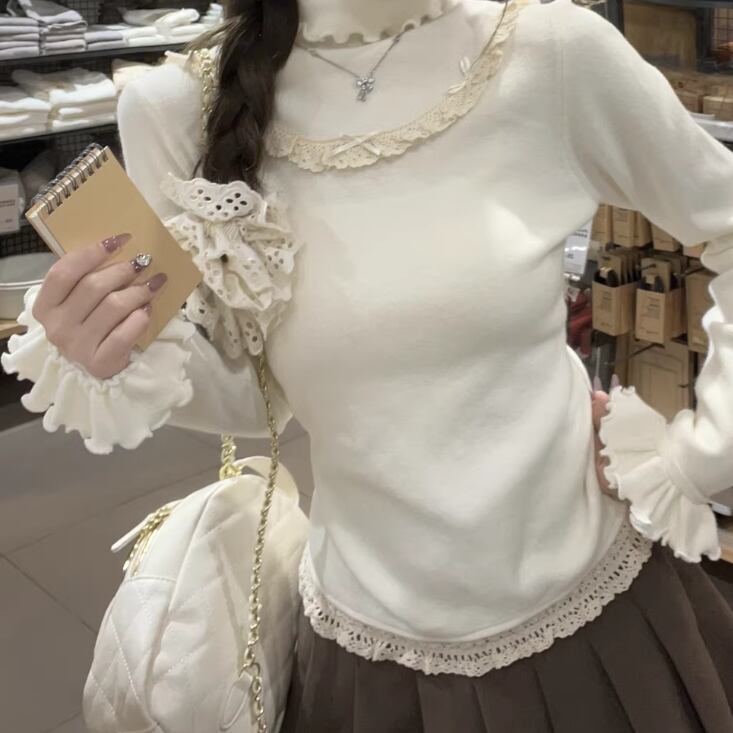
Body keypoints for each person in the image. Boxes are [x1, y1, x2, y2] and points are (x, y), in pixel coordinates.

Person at [4, 0, 733, 729]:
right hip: (363, 646)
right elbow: (258, 400)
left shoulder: (549, 54)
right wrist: (119, 353)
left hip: (595, 611)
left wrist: (696, 459)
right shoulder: (178, 106)